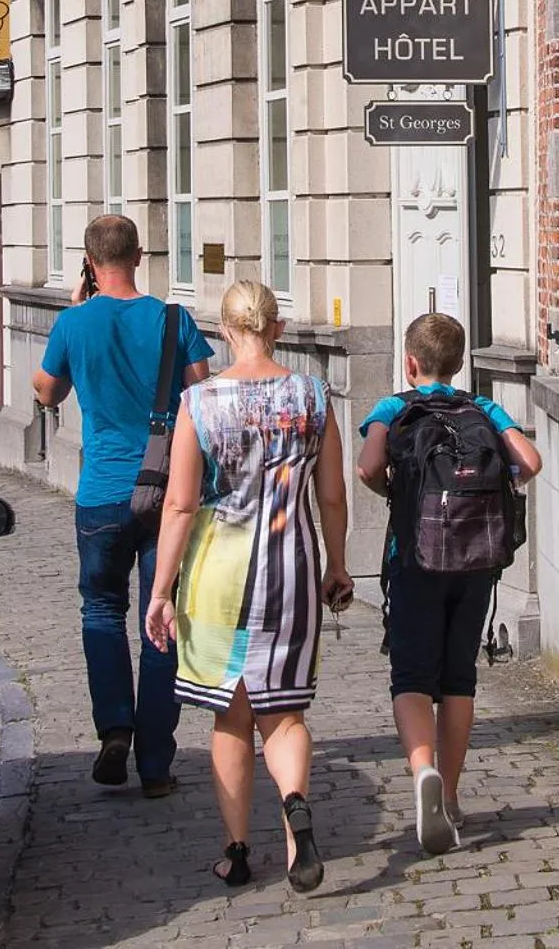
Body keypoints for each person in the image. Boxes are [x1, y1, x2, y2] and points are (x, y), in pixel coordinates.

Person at [144, 280, 352, 893]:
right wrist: (336, 564)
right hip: (291, 568)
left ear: (225, 330)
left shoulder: (200, 401)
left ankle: (236, 851)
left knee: (232, 718)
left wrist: (160, 590)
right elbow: (332, 493)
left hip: (219, 573)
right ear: (278, 328)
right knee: (284, 714)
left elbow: (180, 505)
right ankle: (295, 817)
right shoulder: (313, 396)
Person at [33, 213, 212, 796]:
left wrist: (77, 308)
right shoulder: (173, 319)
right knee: (160, 621)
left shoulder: (72, 324)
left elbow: (46, 390)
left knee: (100, 611)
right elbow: (201, 387)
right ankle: (156, 763)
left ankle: (114, 728)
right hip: (168, 489)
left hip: (101, 493)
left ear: (89, 262)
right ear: (139, 255)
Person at [357, 312, 542, 856]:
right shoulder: (482, 407)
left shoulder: (394, 408)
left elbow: (367, 468)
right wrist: (497, 485)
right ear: (459, 363)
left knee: (412, 675)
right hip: (477, 561)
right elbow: (530, 460)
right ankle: (454, 797)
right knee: (459, 677)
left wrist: (396, 492)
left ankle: (423, 775)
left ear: (410, 362)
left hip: (416, 559)